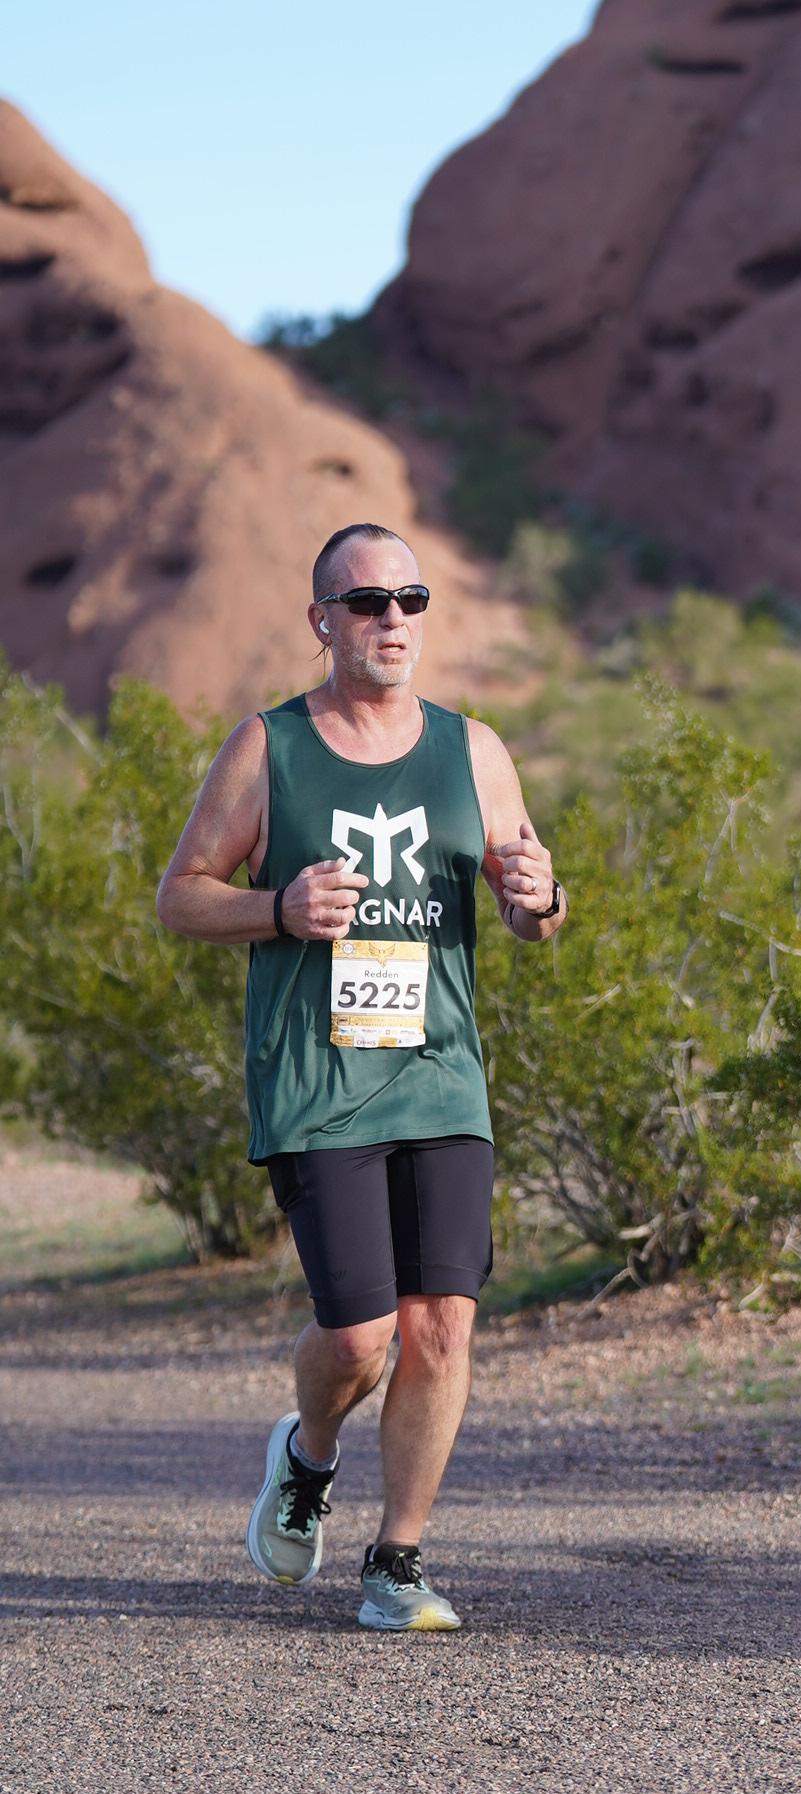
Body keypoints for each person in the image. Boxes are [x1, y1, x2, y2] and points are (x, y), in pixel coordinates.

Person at [157, 523, 567, 1630]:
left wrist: (541, 898)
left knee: (441, 1327)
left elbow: (533, 910)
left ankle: (397, 1560)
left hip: (441, 1073)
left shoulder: (474, 749)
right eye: (368, 601)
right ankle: (307, 1452)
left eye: (410, 599)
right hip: (317, 1078)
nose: (393, 619)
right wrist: (278, 908)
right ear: (322, 621)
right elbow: (181, 895)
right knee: (359, 1336)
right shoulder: (270, 746)